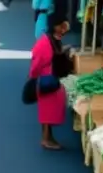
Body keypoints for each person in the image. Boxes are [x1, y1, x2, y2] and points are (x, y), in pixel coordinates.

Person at [29, 11, 72, 151]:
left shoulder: (52, 39)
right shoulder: (44, 43)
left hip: (48, 79)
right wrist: (33, 78)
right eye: (61, 27)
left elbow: (56, 52)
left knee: (48, 112)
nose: (63, 30)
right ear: (55, 26)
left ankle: (48, 137)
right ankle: (46, 139)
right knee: (47, 112)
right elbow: (38, 62)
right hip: (46, 79)